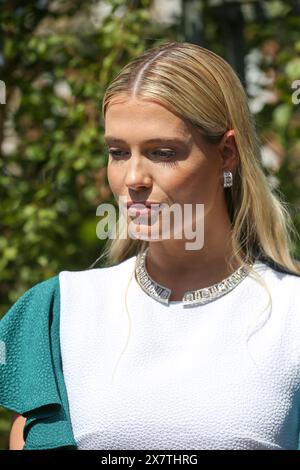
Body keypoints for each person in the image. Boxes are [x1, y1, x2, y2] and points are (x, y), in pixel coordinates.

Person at [1, 41, 300, 451]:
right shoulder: (58, 313)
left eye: (162, 152)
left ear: (226, 153)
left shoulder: (290, 316)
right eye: (118, 152)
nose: (133, 179)